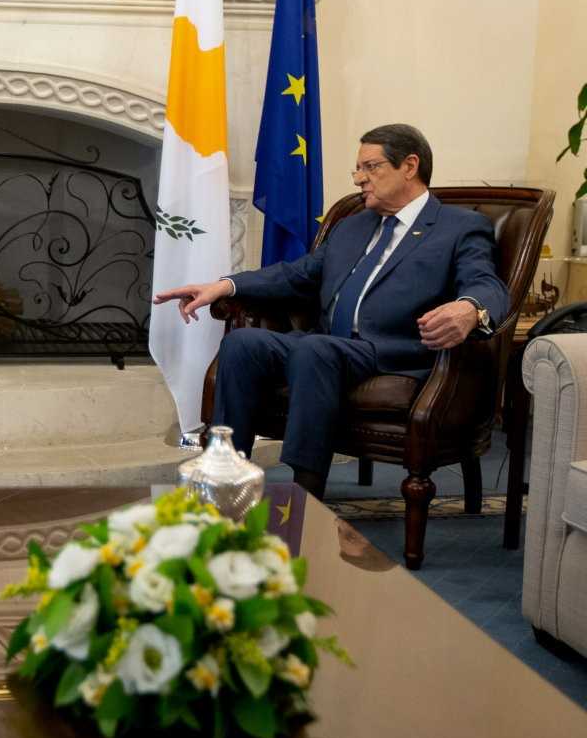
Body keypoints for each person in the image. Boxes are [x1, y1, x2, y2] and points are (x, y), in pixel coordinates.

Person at [153, 124, 509, 497]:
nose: (359, 178)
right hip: (329, 346)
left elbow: (486, 283)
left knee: (314, 348)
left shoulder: (459, 227)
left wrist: (470, 309)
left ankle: (303, 494)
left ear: (409, 166)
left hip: (393, 352)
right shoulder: (352, 226)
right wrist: (225, 285)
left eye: (370, 167)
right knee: (242, 344)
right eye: (358, 168)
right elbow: (297, 274)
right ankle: (224, 479)